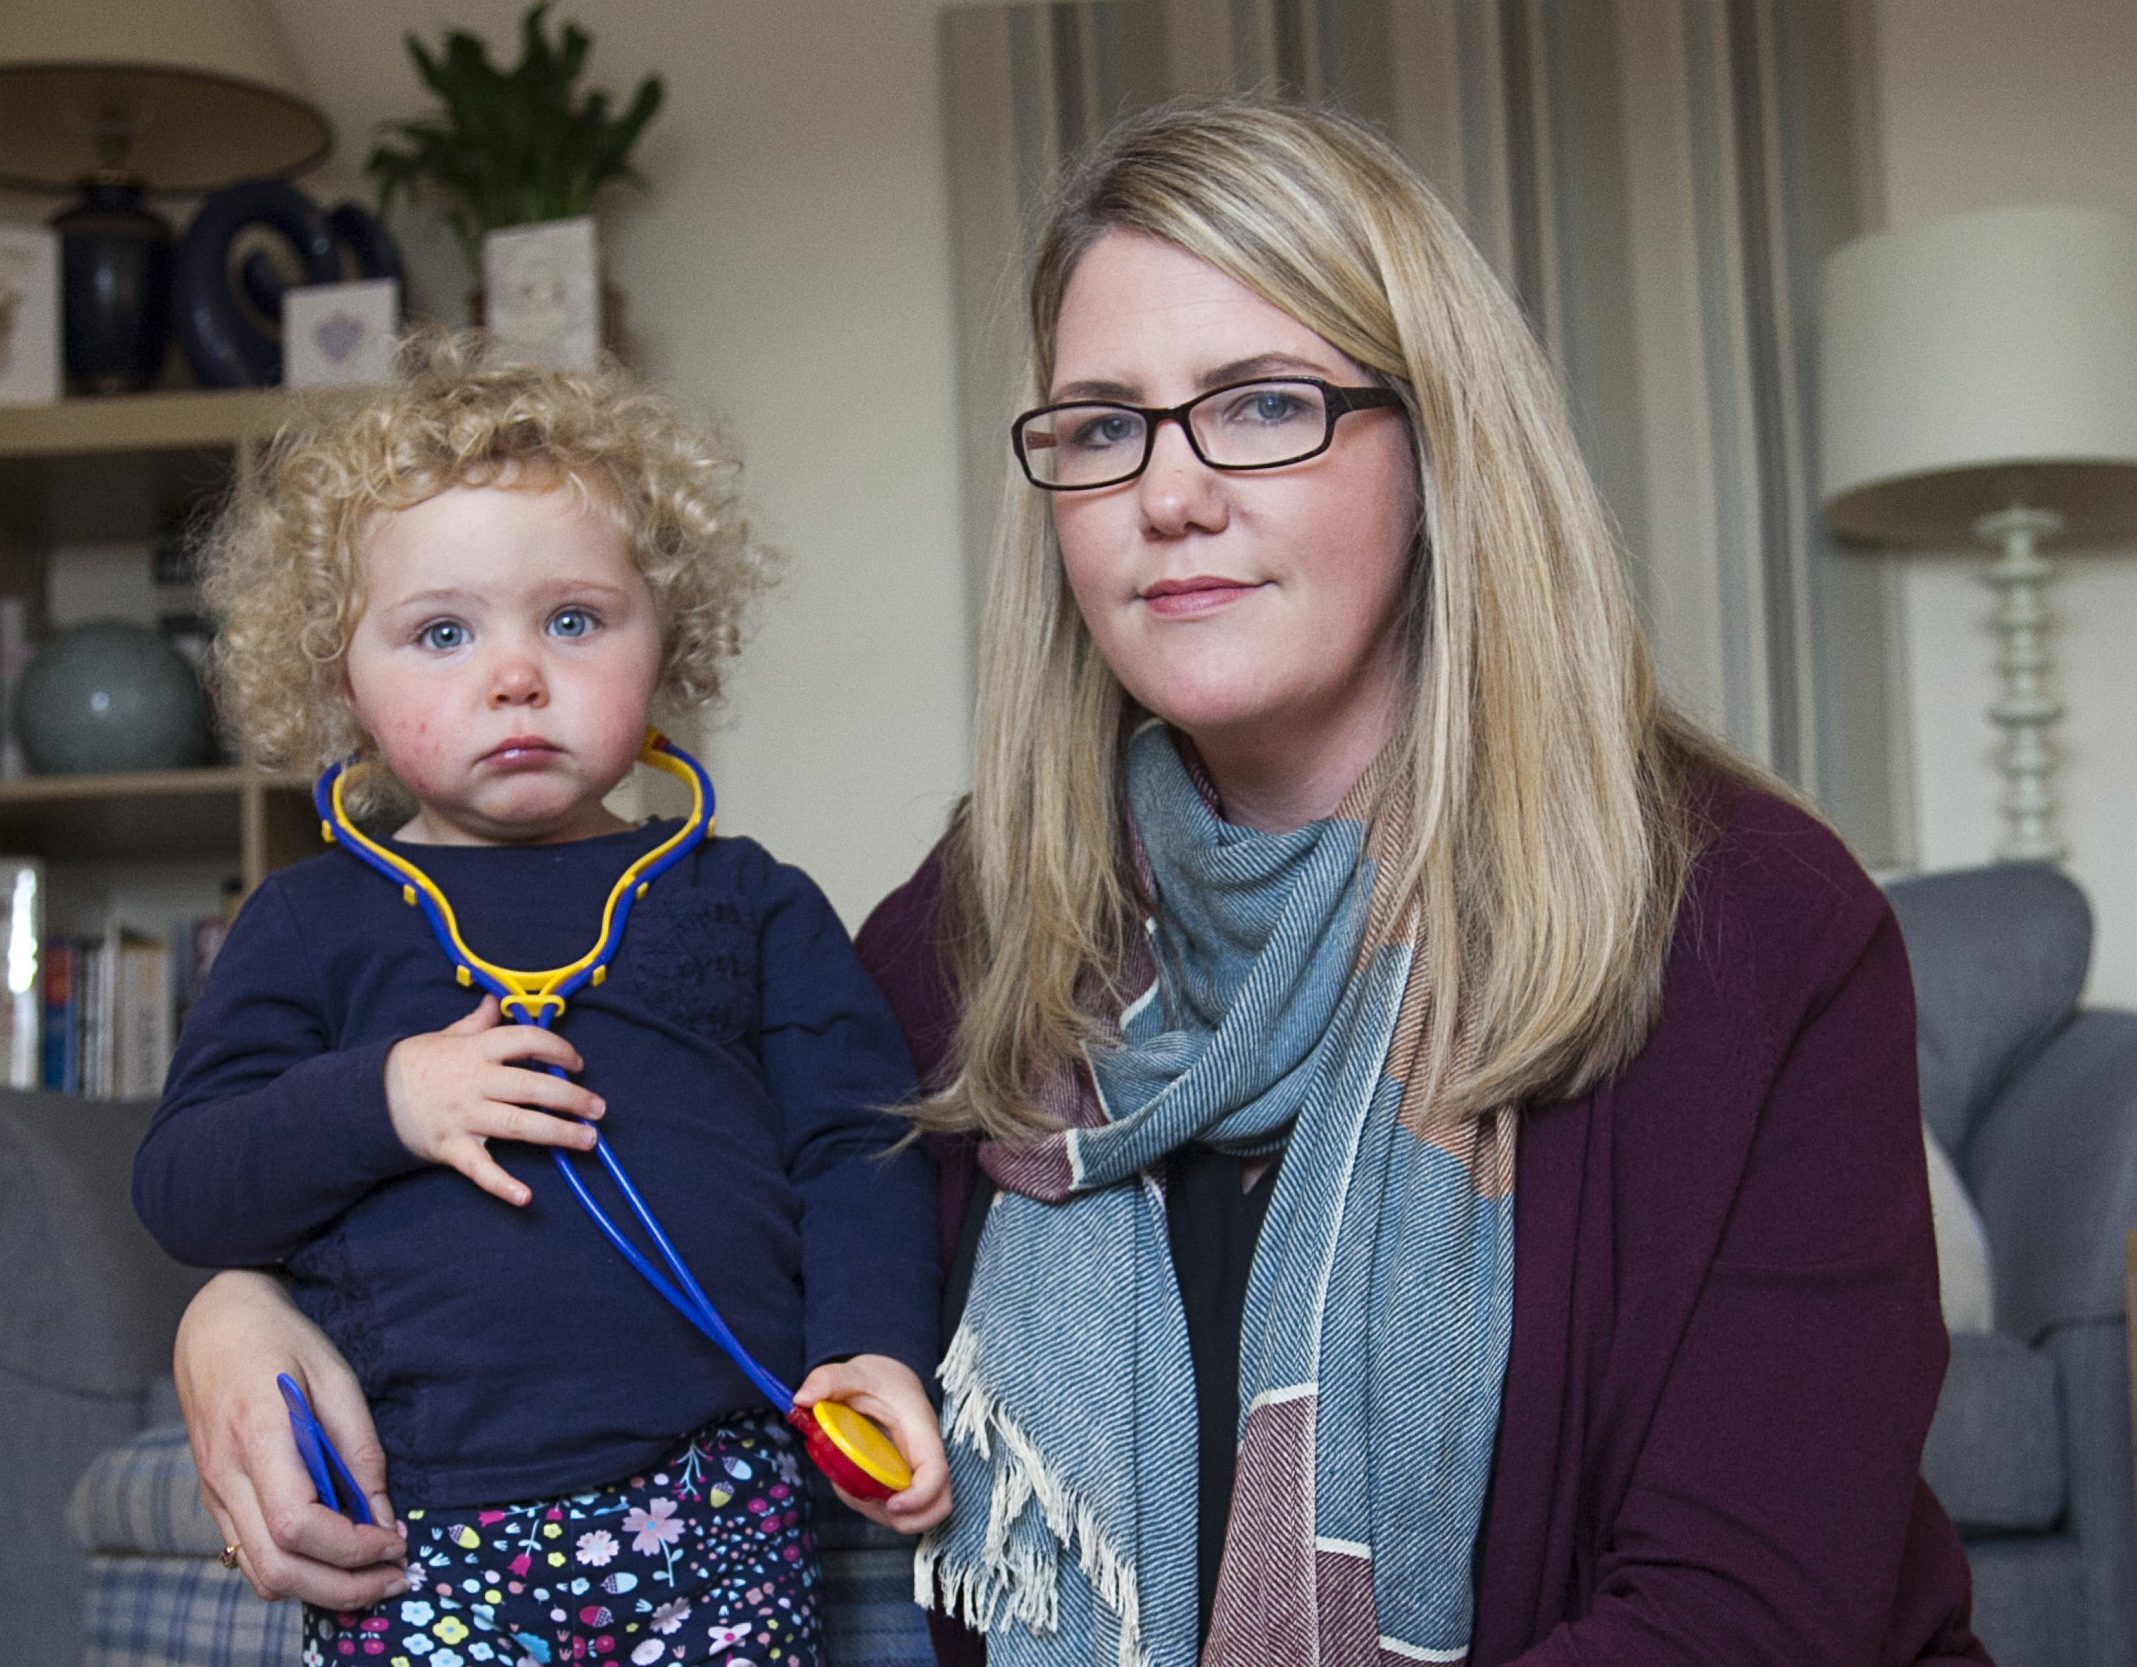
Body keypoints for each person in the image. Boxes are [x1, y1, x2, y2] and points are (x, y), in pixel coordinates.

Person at [169, 100, 1991, 1667]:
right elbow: (656, 1184)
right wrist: (234, 1300)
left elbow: (1750, 1617)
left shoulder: (1746, 917)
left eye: (1262, 405)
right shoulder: (971, 930)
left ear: (1440, 453)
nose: (1168, 495)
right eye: (1101, 427)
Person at [134, 334, 948, 1667]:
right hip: (424, 1524)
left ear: (665, 637)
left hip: (717, 1504)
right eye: (440, 631)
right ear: (341, 676)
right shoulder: (310, 921)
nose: (514, 673)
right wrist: (384, 1097)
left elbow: (857, 1147)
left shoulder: (746, 903)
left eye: (573, 620)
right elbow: (187, 1186)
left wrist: (871, 1349)